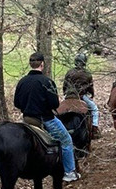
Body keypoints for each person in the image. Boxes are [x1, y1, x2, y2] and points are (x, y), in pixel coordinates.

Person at [14, 52, 79, 182]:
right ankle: (69, 172)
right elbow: (55, 104)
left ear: (30, 64)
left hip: (26, 119)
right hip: (46, 120)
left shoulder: (22, 82)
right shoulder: (47, 82)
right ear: (42, 64)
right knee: (66, 140)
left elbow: (16, 103)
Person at [63, 52, 100, 135]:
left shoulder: (69, 72)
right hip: (81, 96)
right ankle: (95, 129)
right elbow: (90, 87)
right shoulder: (87, 74)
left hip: (69, 95)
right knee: (94, 109)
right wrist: (92, 94)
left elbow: (65, 85)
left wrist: (65, 93)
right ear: (84, 62)